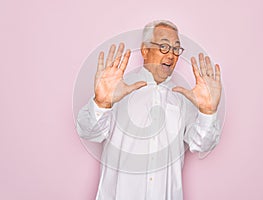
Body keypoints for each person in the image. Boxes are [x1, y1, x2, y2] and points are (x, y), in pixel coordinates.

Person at [77, 20, 222, 200]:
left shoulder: (184, 98)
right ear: (145, 50)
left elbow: (202, 144)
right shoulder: (117, 89)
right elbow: (88, 132)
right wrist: (101, 102)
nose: (171, 55)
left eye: (176, 49)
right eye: (163, 46)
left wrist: (208, 112)